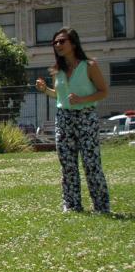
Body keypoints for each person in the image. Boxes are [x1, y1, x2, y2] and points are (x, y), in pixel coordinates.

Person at [36, 27, 110, 213]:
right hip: (63, 118)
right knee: (67, 164)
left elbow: (103, 91)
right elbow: (59, 96)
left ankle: (101, 206)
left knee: (91, 163)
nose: (58, 45)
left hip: (86, 116)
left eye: (62, 41)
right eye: (55, 43)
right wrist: (45, 90)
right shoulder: (56, 71)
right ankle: (72, 205)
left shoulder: (89, 66)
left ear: (73, 44)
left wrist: (82, 99)